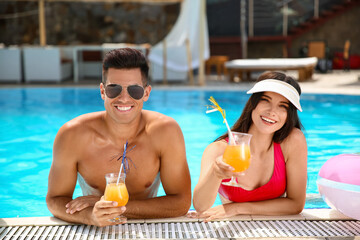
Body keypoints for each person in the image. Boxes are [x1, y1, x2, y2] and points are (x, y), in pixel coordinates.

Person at [46, 48, 191, 227]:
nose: (124, 98)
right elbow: (54, 200)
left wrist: (114, 207)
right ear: (102, 91)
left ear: (146, 93)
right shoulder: (72, 135)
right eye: (114, 89)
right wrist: (89, 217)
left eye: (134, 90)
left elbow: (181, 202)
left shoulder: (165, 132)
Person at [191, 71, 307, 221]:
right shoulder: (219, 150)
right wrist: (216, 173)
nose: (272, 112)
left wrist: (237, 208)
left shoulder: (292, 141)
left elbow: (296, 204)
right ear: (253, 103)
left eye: (282, 106)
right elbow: (201, 206)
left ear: (289, 114)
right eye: (266, 100)